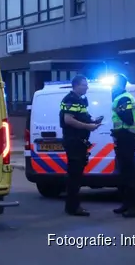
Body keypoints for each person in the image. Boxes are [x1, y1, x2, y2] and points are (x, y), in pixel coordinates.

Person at [60, 75, 102, 216]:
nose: (87, 87)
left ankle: (73, 206)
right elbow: (68, 120)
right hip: (74, 141)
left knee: (77, 175)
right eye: (84, 85)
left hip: (79, 142)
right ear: (76, 85)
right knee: (74, 175)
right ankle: (73, 207)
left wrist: (93, 121)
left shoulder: (80, 101)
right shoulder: (69, 100)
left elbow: (83, 116)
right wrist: (88, 127)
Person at [110, 73, 135, 218]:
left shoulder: (124, 98)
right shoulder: (121, 97)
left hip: (127, 137)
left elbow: (128, 118)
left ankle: (134, 208)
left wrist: (118, 111)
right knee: (124, 173)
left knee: (129, 174)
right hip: (124, 137)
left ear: (119, 84)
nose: (112, 86)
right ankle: (126, 204)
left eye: (114, 83)